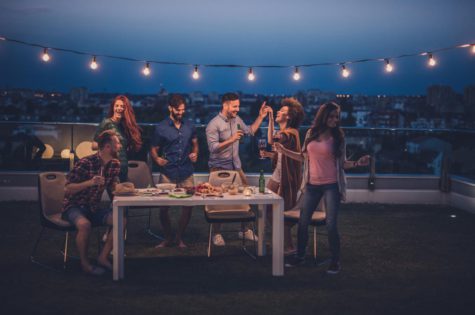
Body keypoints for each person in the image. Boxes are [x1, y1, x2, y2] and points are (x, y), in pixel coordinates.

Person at [276, 102, 370, 274]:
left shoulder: (338, 138)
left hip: (331, 186)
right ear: (324, 116)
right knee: (303, 223)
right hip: (312, 185)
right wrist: (282, 150)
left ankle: (335, 261)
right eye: (332, 116)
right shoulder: (311, 133)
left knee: (331, 225)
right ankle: (300, 257)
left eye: (337, 117)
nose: (335, 120)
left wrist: (357, 163)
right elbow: (303, 157)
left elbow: (342, 164)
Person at [206, 92, 271, 246]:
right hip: (218, 168)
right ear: (225, 105)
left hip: (236, 167)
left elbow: (250, 131)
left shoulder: (236, 119)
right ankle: (216, 233)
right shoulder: (213, 125)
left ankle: (245, 229)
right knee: (218, 202)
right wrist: (231, 139)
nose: (237, 109)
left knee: (246, 196)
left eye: (238, 106)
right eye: (235, 106)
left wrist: (261, 117)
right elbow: (213, 148)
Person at [61, 130, 126, 276]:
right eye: (117, 143)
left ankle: (102, 257)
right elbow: (67, 189)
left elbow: (113, 186)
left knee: (121, 220)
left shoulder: (115, 164)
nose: (120, 146)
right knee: (84, 224)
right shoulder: (85, 163)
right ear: (108, 147)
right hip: (74, 206)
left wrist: (123, 190)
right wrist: (89, 183)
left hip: (93, 208)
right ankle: (85, 264)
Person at [150, 94, 198, 248]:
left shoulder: (190, 125)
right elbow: (153, 149)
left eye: (183, 110)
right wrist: (157, 159)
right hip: (168, 172)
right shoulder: (161, 128)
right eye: (178, 110)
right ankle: (168, 237)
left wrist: (195, 153)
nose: (181, 113)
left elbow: (195, 143)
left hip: (186, 171)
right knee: (163, 208)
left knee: (188, 206)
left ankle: (179, 237)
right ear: (170, 108)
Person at [259, 98, 304, 254]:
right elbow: (282, 156)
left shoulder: (290, 134)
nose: (278, 111)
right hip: (276, 177)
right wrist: (270, 154)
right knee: (267, 208)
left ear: (289, 117)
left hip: (286, 180)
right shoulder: (283, 132)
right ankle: (277, 240)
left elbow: (272, 139)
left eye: (282, 111)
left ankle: (289, 246)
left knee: (282, 213)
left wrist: (270, 118)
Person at [92, 95, 142, 182]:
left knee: (123, 194)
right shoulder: (106, 123)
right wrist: (110, 145)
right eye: (117, 106)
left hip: (123, 167)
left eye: (122, 106)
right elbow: (94, 145)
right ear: (113, 108)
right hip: (110, 167)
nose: (119, 108)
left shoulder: (125, 126)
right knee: (116, 194)